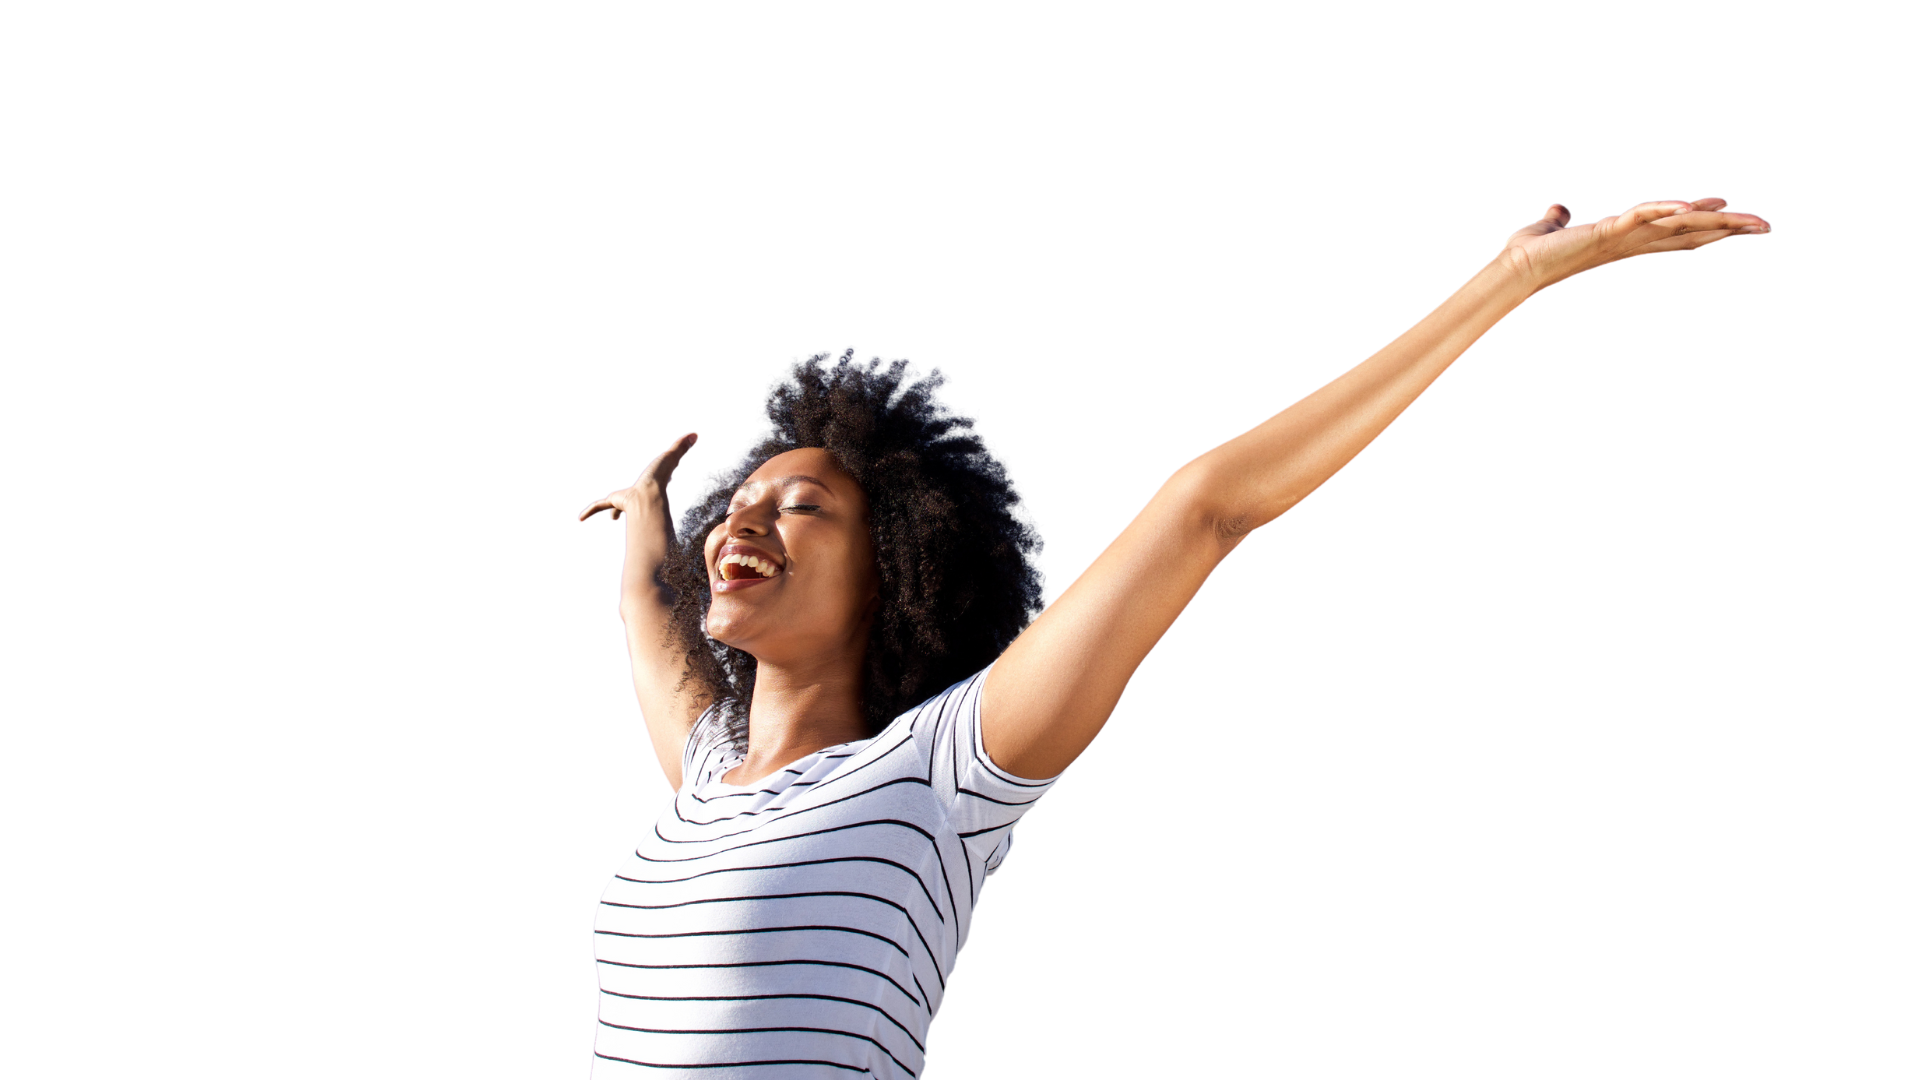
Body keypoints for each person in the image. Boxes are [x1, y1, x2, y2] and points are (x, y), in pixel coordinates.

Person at [579, 198, 1769, 1077]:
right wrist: (647, 513)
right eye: (737, 506)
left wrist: (1509, 279)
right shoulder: (708, 774)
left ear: (893, 573)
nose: (743, 522)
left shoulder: (936, 777)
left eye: (801, 507)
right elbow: (644, 608)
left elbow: (1208, 508)